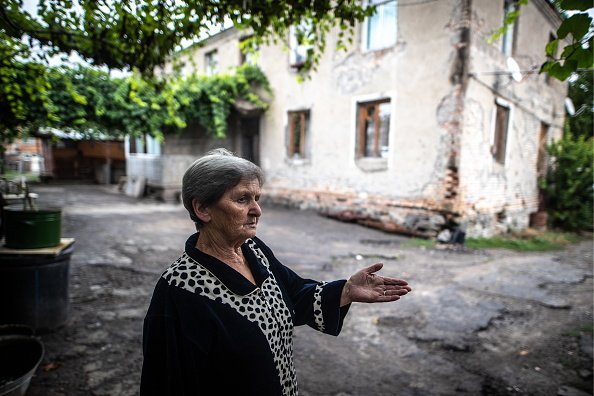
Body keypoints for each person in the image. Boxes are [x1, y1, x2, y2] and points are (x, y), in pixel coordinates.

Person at [140, 148, 412, 395]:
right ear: (202, 208)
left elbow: (292, 293)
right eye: (242, 199)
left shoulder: (254, 250)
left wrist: (344, 291)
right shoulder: (178, 291)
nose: (256, 210)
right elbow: (166, 383)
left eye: (257, 198)